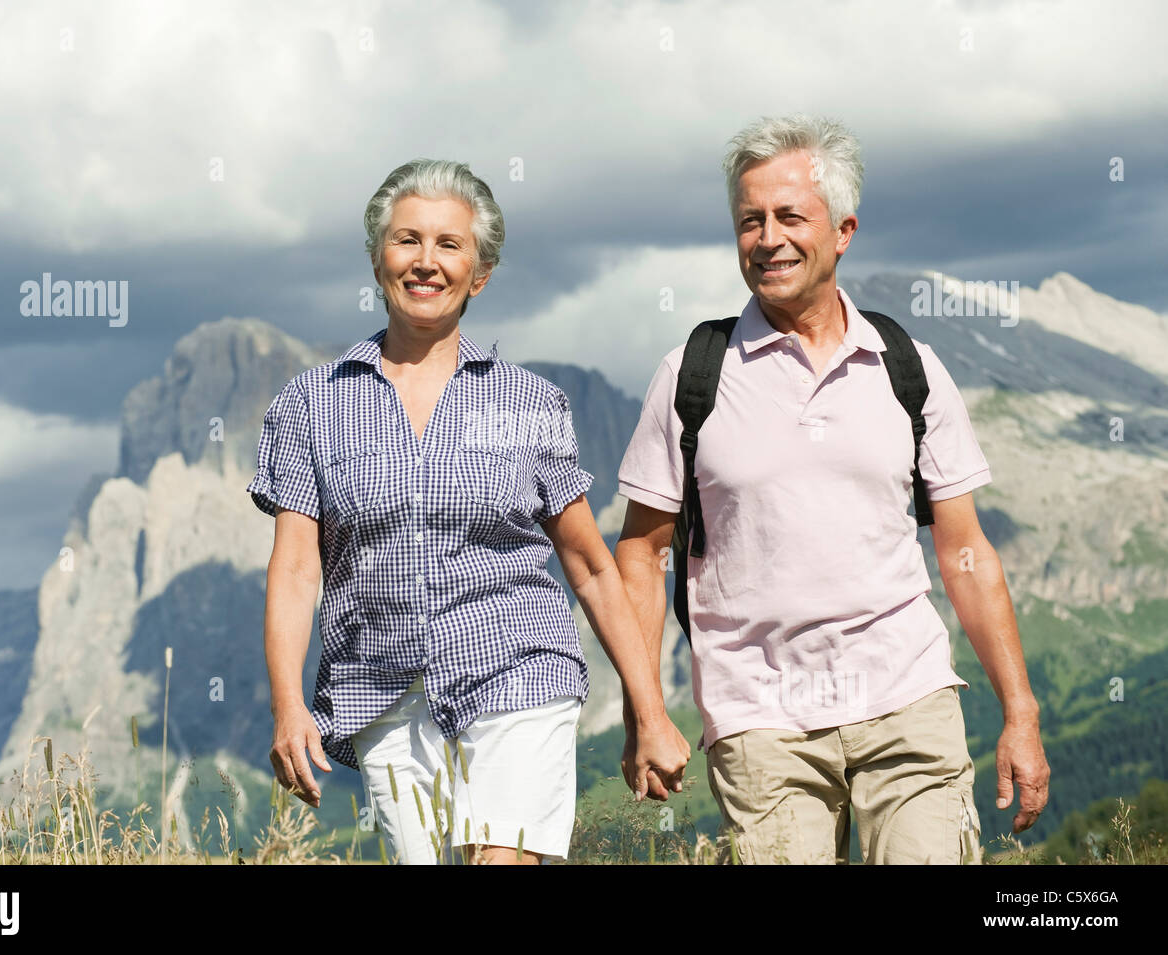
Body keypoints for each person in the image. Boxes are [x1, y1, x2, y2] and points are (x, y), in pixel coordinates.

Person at [613, 115, 1050, 864]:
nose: (768, 237)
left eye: (790, 216)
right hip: (761, 723)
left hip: (909, 701)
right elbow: (641, 555)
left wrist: (1020, 709)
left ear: (843, 230)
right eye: (750, 220)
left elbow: (967, 551)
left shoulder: (907, 365)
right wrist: (643, 711)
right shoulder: (692, 374)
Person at [248, 158, 689, 865]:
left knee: (500, 859)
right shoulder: (311, 405)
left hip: (520, 670)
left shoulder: (527, 404)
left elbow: (592, 567)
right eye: (407, 240)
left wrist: (651, 712)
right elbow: (298, 569)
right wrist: (287, 705)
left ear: (479, 274)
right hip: (383, 693)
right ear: (376, 259)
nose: (426, 261)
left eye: (449, 245)